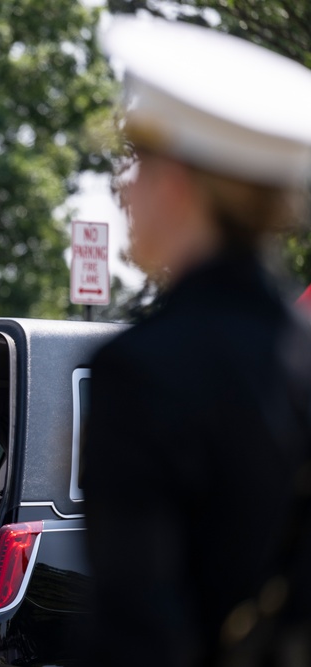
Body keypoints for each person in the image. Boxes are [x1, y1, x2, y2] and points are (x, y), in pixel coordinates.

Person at [82, 17, 311, 667]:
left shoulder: (142, 367)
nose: (125, 187)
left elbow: (138, 631)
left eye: (138, 163)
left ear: (178, 182)